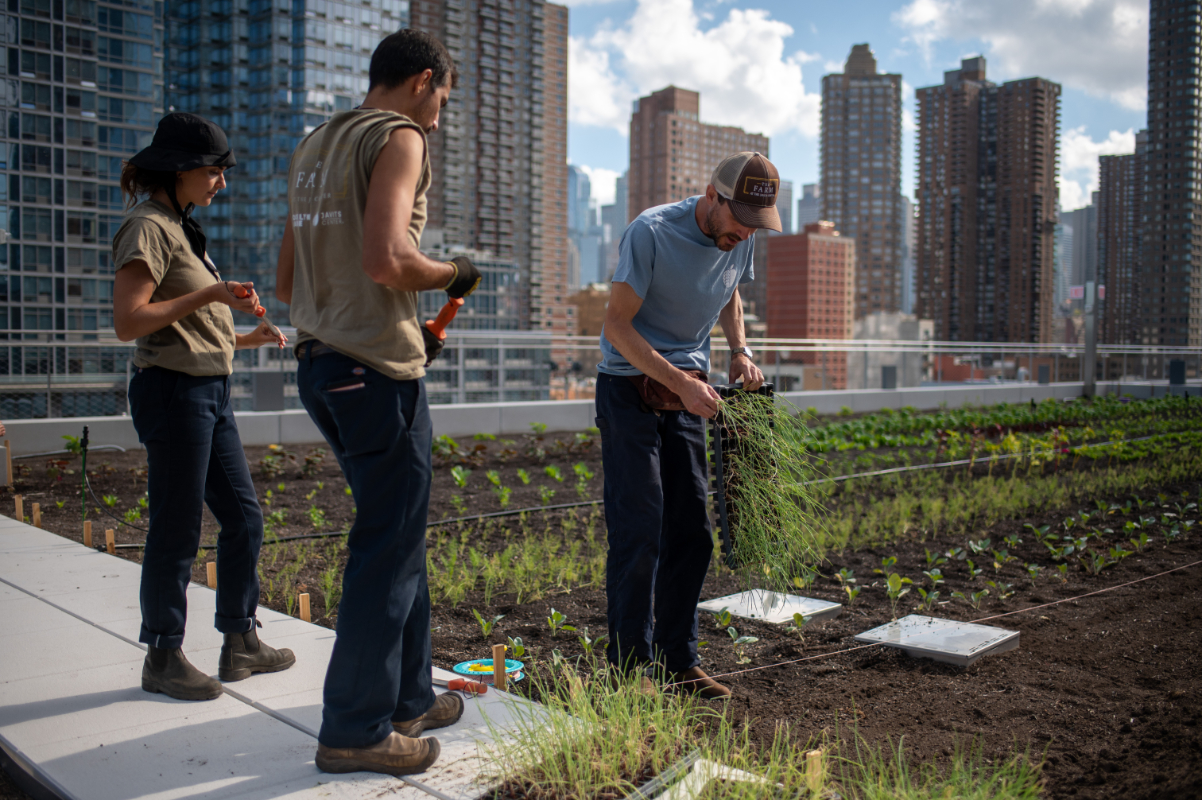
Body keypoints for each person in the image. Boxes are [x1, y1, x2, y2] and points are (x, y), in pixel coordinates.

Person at [275, 30, 481, 777]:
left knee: (398, 539)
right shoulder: (398, 136)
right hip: (373, 375)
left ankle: (408, 697)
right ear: (425, 81)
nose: (437, 119)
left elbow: (290, 281)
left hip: (323, 367)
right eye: (443, 101)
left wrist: (387, 324)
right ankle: (357, 728)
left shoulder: (314, 145)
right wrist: (456, 272)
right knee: (385, 548)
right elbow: (388, 259)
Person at [112, 112, 297, 702]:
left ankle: (240, 642)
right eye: (216, 171)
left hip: (207, 390)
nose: (222, 182)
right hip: (172, 392)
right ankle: (162, 655)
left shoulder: (180, 225)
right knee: (177, 526)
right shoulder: (148, 227)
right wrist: (215, 292)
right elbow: (130, 322)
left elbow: (189, 329)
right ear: (182, 170)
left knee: (244, 518)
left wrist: (246, 336)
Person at [597, 152, 779, 698]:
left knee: (693, 534)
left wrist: (740, 352)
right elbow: (616, 328)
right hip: (630, 387)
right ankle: (629, 675)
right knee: (640, 531)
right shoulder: (651, 232)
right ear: (711, 196)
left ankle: (679, 662)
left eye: (755, 225)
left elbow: (731, 293)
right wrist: (681, 382)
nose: (745, 234)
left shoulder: (738, 241)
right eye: (739, 220)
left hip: (686, 392)